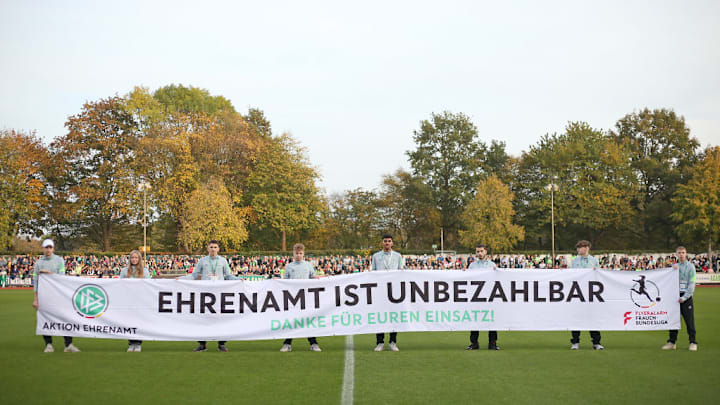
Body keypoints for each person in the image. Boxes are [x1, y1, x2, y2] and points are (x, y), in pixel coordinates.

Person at [180, 240, 239, 352]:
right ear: (207, 249)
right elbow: (194, 275)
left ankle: (221, 344)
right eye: (211, 247)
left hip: (220, 293)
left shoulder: (222, 261)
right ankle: (202, 344)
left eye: (215, 247)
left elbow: (228, 275)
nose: (213, 249)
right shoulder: (202, 261)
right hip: (205, 294)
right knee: (203, 319)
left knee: (221, 319)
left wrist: (239, 279)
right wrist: (181, 279)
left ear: (218, 249)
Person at [32, 239, 81, 353]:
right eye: (46, 247)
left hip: (59, 295)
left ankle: (68, 344)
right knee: (45, 319)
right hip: (44, 295)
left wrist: (49, 274)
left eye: (50, 247)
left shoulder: (59, 260)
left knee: (65, 318)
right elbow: (36, 281)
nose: (48, 250)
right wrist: (35, 299)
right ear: (43, 248)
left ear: (53, 248)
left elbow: (62, 277)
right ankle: (48, 344)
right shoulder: (38, 263)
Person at [279, 244, 322, 353]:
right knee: (292, 320)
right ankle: (287, 344)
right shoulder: (289, 266)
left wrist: (319, 278)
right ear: (293, 254)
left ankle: (313, 343)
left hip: (306, 298)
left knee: (307, 320)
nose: (298, 255)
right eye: (296, 253)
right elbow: (285, 282)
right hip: (293, 298)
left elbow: (312, 277)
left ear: (304, 254)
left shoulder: (308, 265)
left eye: (300, 253)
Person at [370, 234, 404, 352]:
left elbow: (401, 271)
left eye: (389, 241)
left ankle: (393, 342)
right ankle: (379, 342)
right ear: (382, 243)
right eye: (385, 241)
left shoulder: (398, 256)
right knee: (380, 316)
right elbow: (373, 272)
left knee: (394, 316)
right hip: (380, 290)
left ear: (392, 243)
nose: (387, 243)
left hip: (394, 291)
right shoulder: (376, 256)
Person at [662, 246, 698, 351]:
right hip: (675, 297)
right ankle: (672, 342)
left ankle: (693, 342)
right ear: (676, 254)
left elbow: (692, 283)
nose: (681, 254)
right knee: (673, 321)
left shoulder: (691, 267)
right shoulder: (674, 266)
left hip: (686, 298)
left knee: (689, 321)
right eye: (679, 253)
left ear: (686, 253)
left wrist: (685, 297)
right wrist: (670, 268)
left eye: (683, 252)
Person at [569, 240, 603, 350]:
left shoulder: (594, 261)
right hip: (577, 294)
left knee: (593, 318)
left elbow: (600, 276)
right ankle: (575, 342)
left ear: (587, 248)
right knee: (576, 319)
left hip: (591, 294)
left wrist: (597, 271)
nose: (578, 249)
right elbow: (570, 275)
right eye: (577, 248)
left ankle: (596, 342)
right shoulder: (574, 261)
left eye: (580, 247)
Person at [464, 244, 499, 350]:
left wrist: (497, 271)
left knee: (492, 320)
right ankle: (474, 343)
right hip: (476, 297)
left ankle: (492, 343)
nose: (479, 253)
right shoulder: (472, 266)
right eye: (477, 251)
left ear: (486, 252)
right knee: (475, 320)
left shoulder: (492, 265)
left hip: (489, 296)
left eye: (481, 251)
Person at [120, 250, 151, 352]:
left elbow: (149, 285)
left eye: (136, 258)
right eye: (132, 257)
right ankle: (131, 343)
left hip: (140, 301)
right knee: (129, 322)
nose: (134, 259)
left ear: (139, 259)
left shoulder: (145, 271)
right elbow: (119, 284)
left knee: (139, 322)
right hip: (128, 300)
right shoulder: (124, 271)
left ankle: (138, 343)